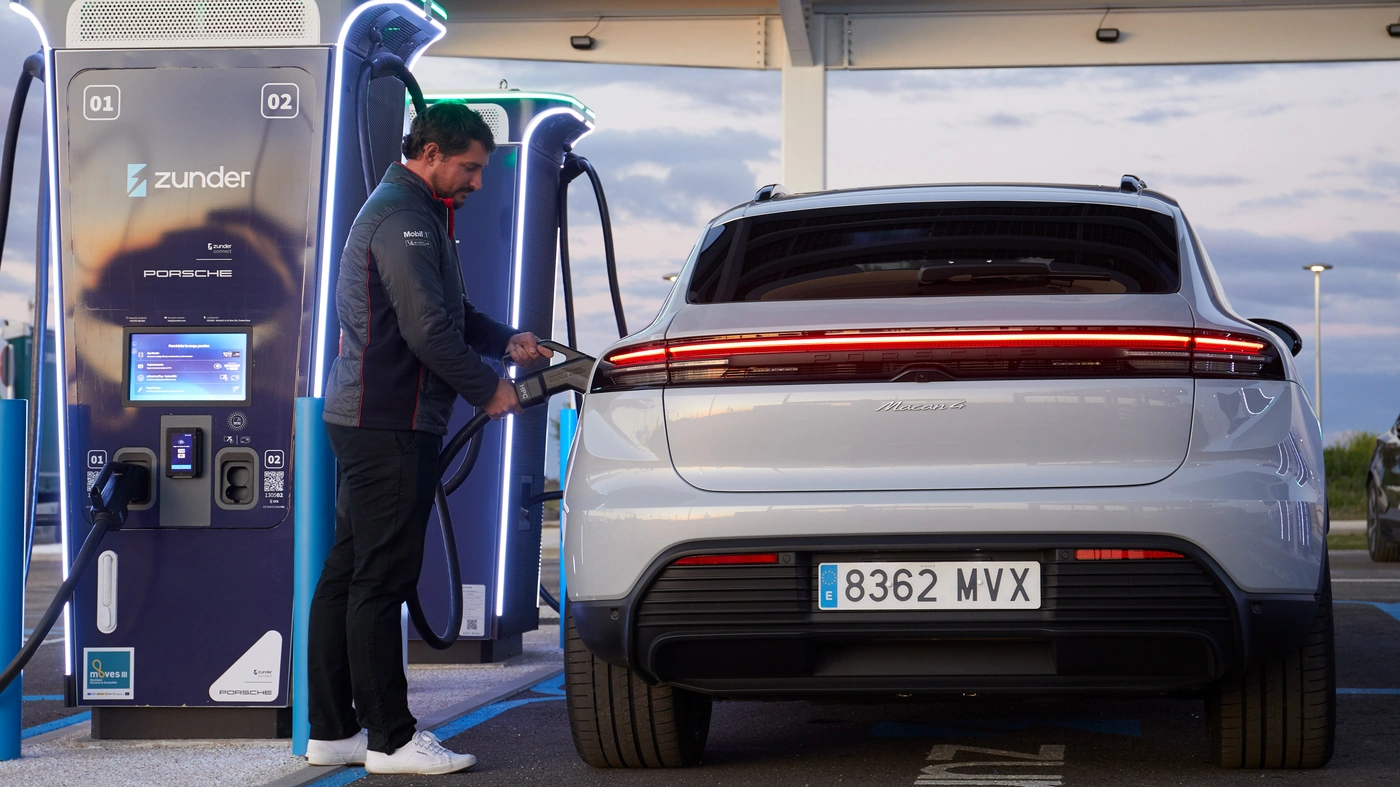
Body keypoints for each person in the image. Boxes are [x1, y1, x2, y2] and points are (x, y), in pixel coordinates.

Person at [305, 102, 550, 775]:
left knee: (351, 572)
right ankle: (391, 738)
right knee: (380, 580)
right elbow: (426, 332)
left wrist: (505, 341)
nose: (477, 182)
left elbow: (453, 315)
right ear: (433, 153)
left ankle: (333, 729)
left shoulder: (417, 213)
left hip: (370, 416)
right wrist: (488, 387)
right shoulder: (404, 218)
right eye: (469, 168)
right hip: (388, 419)